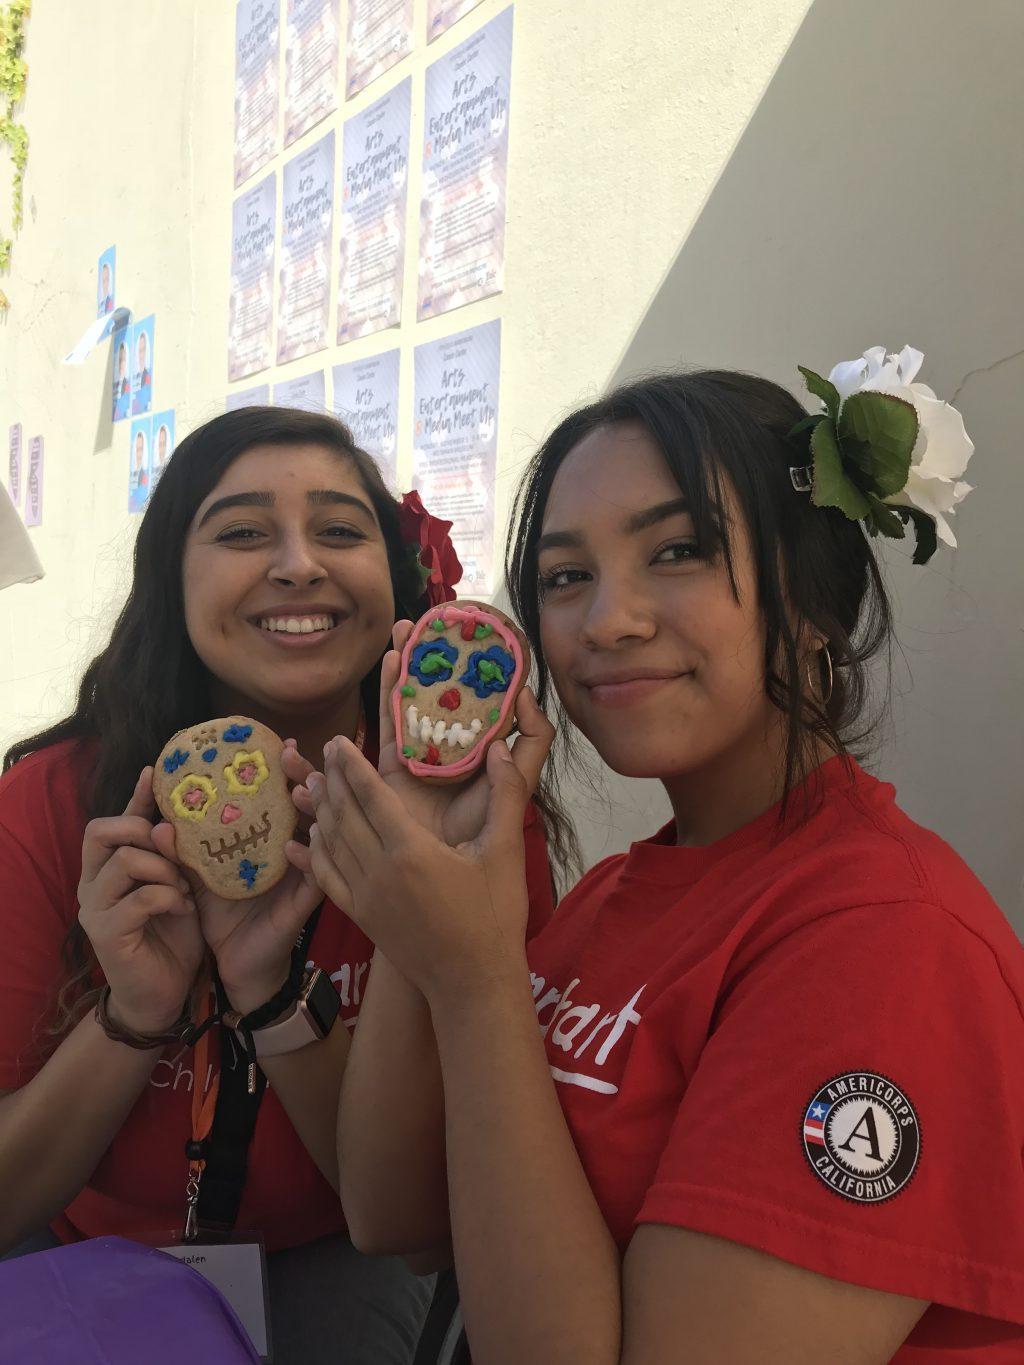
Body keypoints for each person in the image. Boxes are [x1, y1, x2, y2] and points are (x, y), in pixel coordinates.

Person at [304, 359, 1024, 1361]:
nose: (608, 621)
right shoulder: (613, 895)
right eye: (565, 577)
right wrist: (420, 884)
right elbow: (398, 1217)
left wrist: (474, 984)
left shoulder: (884, 943)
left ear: (810, 593)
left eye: (678, 550)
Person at [0, 406, 561, 1364]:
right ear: (171, 577)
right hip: (81, 1246)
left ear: (396, 582)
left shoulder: (474, 821)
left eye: (342, 531)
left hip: (334, 1251)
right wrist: (135, 1009)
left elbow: (415, 1213)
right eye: (243, 531)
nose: (299, 563)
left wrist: (272, 997)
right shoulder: (55, 804)